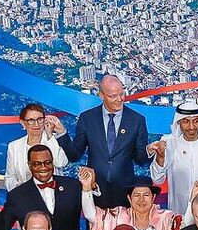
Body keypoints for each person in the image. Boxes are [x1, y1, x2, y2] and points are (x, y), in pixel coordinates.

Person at [62, 74, 151, 210]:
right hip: (95, 191)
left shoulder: (137, 120)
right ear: (101, 95)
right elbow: (75, 155)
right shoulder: (87, 118)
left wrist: (149, 151)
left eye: (121, 94)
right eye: (113, 96)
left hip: (125, 194)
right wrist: (62, 134)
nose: (119, 100)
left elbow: (140, 160)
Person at [150, 100, 198, 218]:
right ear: (179, 123)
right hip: (179, 209)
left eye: (196, 121)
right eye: (186, 122)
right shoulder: (169, 143)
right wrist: (160, 157)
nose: (191, 127)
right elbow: (157, 179)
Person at [78, 171, 179, 230]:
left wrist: (192, 200)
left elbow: (186, 224)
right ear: (129, 198)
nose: (141, 199)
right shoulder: (119, 216)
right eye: (136, 195)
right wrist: (86, 189)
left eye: (146, 195)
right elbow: (91, 215)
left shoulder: (166, 218)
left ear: (154, 198)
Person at [4, 143, 86, 230]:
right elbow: (0, 227)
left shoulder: (73, 186)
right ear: (29, 165)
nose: (43, 168)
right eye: (37, 164)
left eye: (48, 163)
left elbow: (91, 213)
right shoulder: (17, 195)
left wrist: (91, 188)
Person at [4, 103, 68, 191]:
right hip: (25, 198)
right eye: (31, 120)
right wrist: (20, 193)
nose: (36, 124)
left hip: (54, 195)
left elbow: (61, 163)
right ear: (23, 123)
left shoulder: (53, 140)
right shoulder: (14, 146)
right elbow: (9, 178)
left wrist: (49, 136)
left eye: (40, 119)